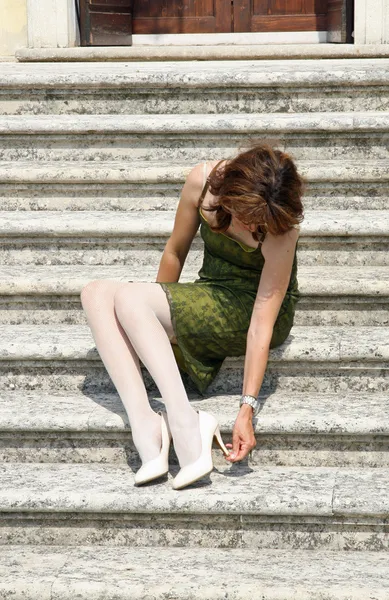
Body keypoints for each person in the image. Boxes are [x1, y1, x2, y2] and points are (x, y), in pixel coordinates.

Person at [80, 142, 304, 491]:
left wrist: (247, 408)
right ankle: (146, 426)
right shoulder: (202, 182)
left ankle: (186, 425)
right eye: (243, 211)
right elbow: (175, 250)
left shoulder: (281, 229)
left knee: (130, 299)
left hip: (252, 306)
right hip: (211, 288)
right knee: (95, 293)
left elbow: (262, 320)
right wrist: (150, 317)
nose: (248, 223)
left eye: (257, 220)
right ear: (230, 188)